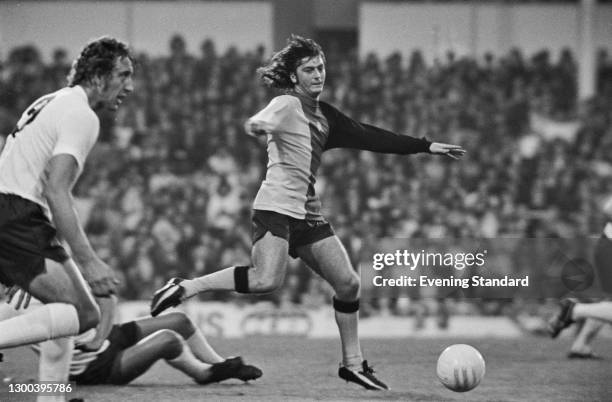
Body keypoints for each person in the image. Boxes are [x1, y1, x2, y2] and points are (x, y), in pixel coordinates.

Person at [151, 35, 465, 391]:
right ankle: (187, 286)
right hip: (275, 208)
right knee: (266, 281)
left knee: (348, 284)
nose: (318, 74)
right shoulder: (286, 103)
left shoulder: (326, 116)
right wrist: (257, 126)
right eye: (309, 69)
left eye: (321, 68)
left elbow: (372, 137)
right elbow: (261, 118)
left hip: (307, 212)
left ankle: (353, 364)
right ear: (294, 76)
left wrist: (424, 146)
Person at [0, 36, 133, 389]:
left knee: (62, 307)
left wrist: (56, 252)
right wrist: (88, 260)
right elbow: (56, 189)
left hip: (13, 211)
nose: (129, 86)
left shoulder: (53, 101)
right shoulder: (82, 114)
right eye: (123, 74)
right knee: (82, 313)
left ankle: (51, 395)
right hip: (15, 212)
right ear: (99, 74)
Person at [1, 290, 261, 387]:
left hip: (107, 336)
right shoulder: (10, 308)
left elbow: (107, 296)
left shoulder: (44, 275)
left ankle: (221, 364)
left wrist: (101, 333)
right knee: (169, 339)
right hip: (94, 367)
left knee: (179, 320)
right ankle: (205, 374)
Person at [548, 196, 612, 353]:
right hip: (610, 246)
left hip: (607, 245)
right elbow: (609, 208)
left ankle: (581, 345)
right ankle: (573, 310)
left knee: (609, 302)